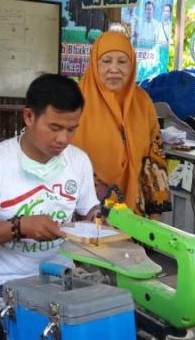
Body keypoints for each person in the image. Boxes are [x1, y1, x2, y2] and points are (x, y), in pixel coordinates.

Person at [0, 74, 99, 305]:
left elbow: (89, 213)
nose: (63, 139)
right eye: (54, 127)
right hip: (3, 284)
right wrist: (19, 227)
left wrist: (99, 219)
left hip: (62, 278)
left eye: (72, 129)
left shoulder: (78, 161)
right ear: (29, 117)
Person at [72, 31, 171, 219]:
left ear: (132, 64)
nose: (114, 69)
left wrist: (155, 218)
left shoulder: (142, 101)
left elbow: (155, 159)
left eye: (122, 61)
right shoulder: (75, 100)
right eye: (106, 61)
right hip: (85, 215)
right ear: (94, 63)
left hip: (135, 215)